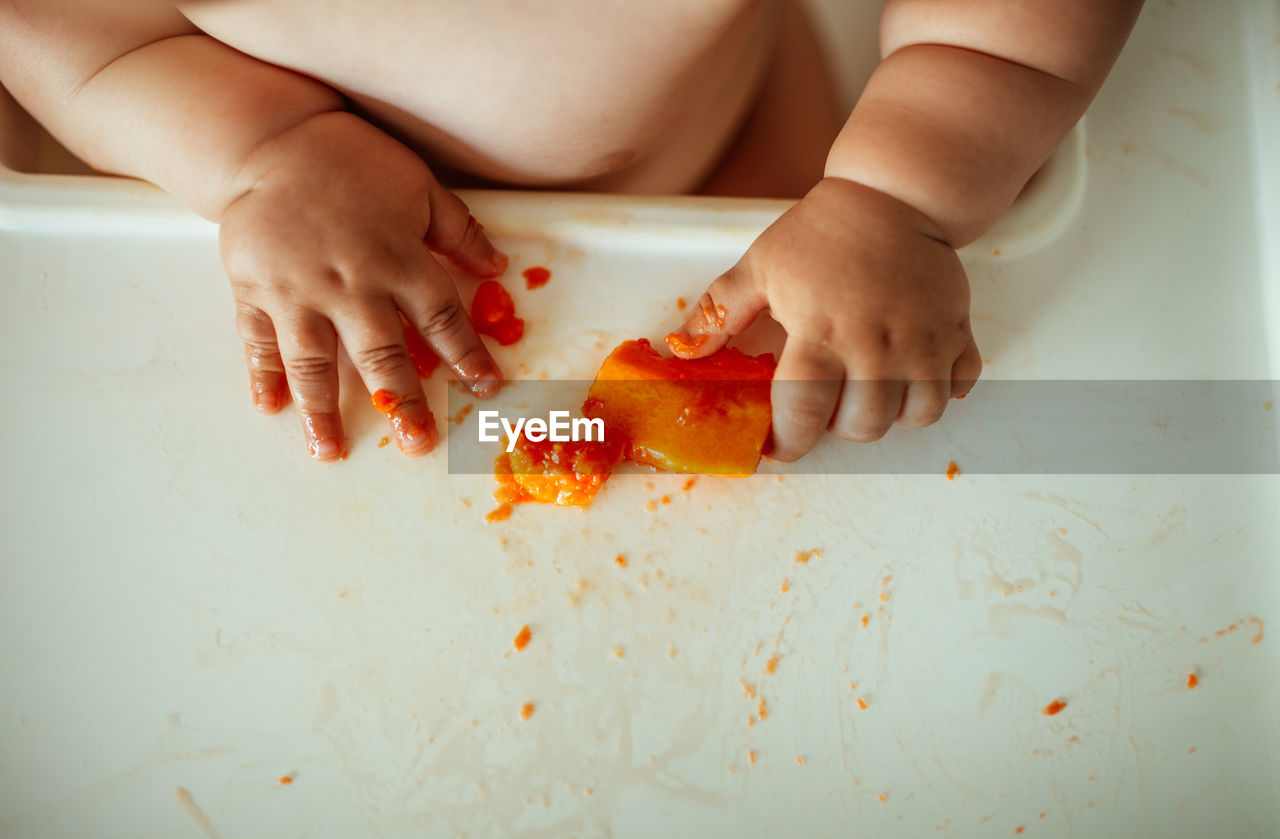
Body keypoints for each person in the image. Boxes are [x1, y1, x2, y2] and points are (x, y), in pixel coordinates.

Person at [0, 0, 1142, 462]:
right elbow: (65, 27)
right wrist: (261, 152)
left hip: (753, 177)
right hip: (276, 190)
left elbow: (1002, 28)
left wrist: (896, 196)